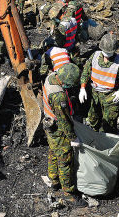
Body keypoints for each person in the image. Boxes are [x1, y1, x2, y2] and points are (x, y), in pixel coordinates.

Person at [42, 63, 83, 205]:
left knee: (53, 151)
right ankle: (68, 193)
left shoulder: (51, 77)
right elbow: (64, 120)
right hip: (58, 129)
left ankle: (54, 180)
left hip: (48, 123)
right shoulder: (58, 96)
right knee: (65, 159)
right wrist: (73, 138)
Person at [79, 33, 119, 133]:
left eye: (110, 52)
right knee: (93, 118)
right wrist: (82, 88)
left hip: (110, 96)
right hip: (95, 94)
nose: (107, 55)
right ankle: (94, 134)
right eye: (105, 52)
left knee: (109, 122)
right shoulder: (94, 56)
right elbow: (85, 72)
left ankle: (106, 138)